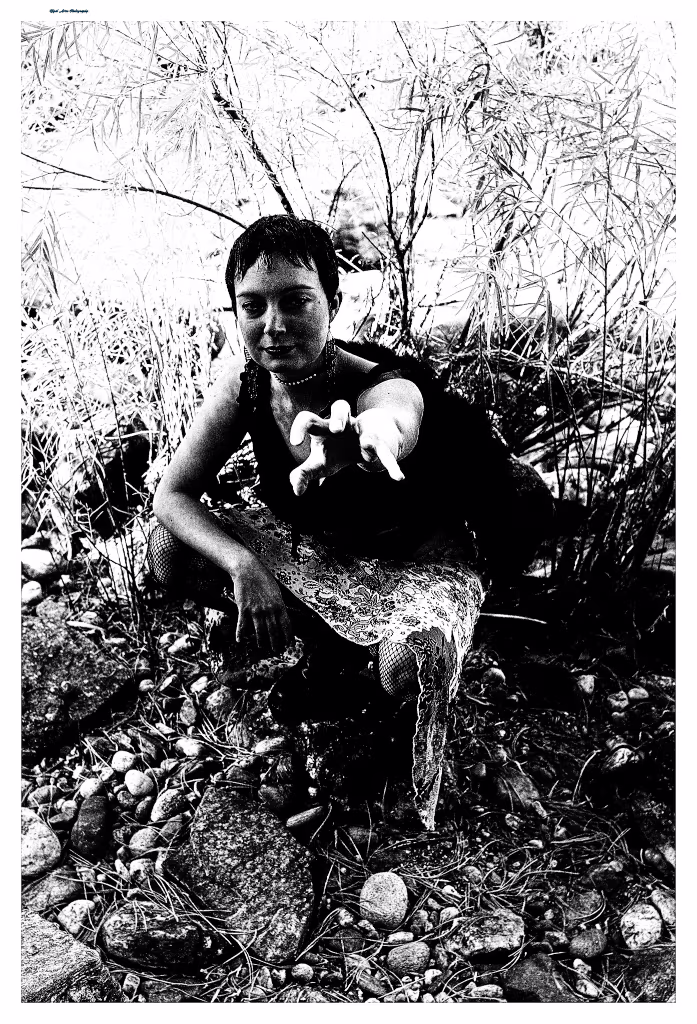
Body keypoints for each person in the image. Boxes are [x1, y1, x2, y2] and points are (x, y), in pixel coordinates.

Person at [148, 215, 554, 828]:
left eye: (297, 302)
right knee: (169, 548)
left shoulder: (383, 381)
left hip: (415, 570)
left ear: (334, 304)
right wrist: (244, 566)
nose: (273, 325)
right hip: (322, 557)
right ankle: (322, 644)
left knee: (408, 667)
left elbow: (395, 415)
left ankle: (368, 688)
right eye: (252, 306)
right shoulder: (247, 384)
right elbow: (172, 495)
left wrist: (371, 438)